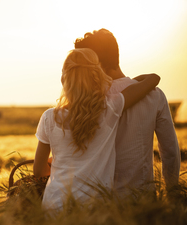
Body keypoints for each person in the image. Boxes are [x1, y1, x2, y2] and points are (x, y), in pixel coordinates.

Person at [33, 48, 160, 211]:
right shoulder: (110, 109)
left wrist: (60, 165)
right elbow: (153, 79)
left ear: (64, 79)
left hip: (54, 208)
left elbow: (38, 171)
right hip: (95, 210)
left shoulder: (49, 117)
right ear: (96, 76)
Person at [74, 29, 180, 195]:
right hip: (143, 199)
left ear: (95, 63)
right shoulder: (154, 94)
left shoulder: (88, 102)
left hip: (99, 202)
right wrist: (173, 193)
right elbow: (170, 150)